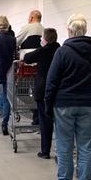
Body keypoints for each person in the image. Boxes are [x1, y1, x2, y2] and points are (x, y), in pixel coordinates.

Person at [45, 14, 91, 180]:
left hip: (64, 104)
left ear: (69, 30)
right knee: (86, 144)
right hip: (88, 103)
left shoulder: (62, 52)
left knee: (64, 144)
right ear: (84, 30)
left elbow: (51, 81)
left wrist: (48, 105)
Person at [23, 28, 60, 159]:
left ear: (45, 39)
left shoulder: (43, 51)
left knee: (45, 121)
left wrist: (42, 46)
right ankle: (62, 150)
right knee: (60, 121)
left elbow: (27, 58)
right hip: (59, 90)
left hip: (43, 90)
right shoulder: (60, 50)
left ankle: (45, 151)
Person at [17, 10, 45, 125]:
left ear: (32, 17)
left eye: (29, 17)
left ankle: (35, 111)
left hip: (26, 66)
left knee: (21, 92)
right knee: (37, 92)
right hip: (40, 67)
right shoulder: (44, 30)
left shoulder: (27, 27)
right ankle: (37, 115)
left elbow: (15, 41)